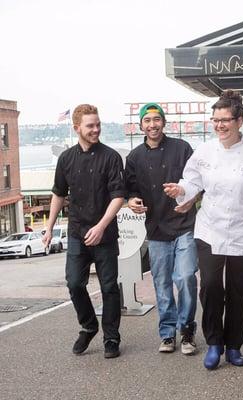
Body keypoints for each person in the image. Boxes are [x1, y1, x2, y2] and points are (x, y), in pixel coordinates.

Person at [164, 90, 243, 370]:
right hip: (209, 229)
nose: (220, 125)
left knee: (237, 292)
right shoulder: (205, 152)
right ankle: (214, 343)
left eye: (225, 120)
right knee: (209, 287)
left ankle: (233, 346)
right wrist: (180, 190)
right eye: (215, 120)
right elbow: (191, 181)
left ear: (239, 121)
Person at [42, 104, 126, 359]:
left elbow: (118, 196)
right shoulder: (66, 159)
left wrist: (101, 226)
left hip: (105, 234)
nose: (96, 129)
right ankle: (89, 326)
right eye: (90, 125)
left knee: (109, 287)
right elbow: (58, 194)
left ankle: (111, 338)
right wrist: (49, 229)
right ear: (76, 127)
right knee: (75, 283)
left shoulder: (111, 157)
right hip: (78, 233)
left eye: (98, 124)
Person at [125, 103, 198, 356]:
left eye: (157, 120)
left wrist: (186, 194)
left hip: (184, 225)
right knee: (162, 284)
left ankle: (187, 329)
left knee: (186, 277)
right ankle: (167, 333)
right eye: (147, 121)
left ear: (164, 123)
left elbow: (197, 181)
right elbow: (130, 189)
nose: (152, 125)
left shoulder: (182, 149)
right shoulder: (134, 157)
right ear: (141, 125)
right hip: (155, 229)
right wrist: (132, 200)